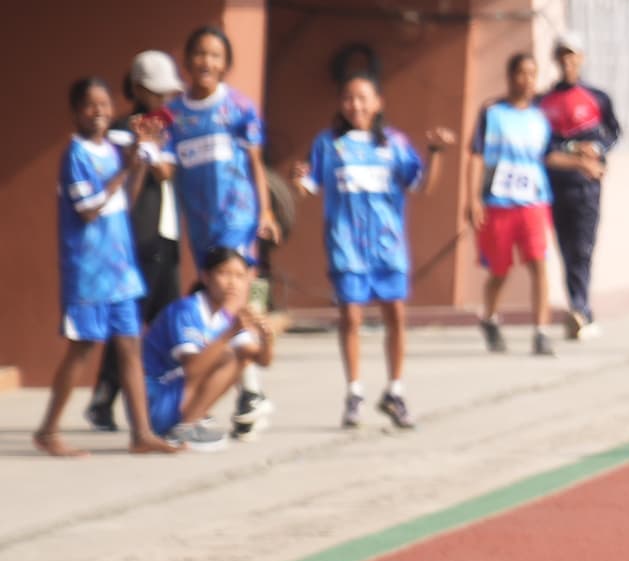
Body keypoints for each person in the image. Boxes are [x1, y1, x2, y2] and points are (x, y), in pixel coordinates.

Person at [35, 76, 169, 457]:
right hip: (88, 273)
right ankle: (48, 430)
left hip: (121, 270)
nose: (99, 113)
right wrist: (127, 168)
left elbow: (126, 198)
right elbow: (89, 209)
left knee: (130, 347)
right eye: (90, 106)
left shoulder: (113, 150)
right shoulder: (75, 155)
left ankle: (141, 433)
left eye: (105, 105)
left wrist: (140, 163)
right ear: (76, 112)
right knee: (83, 348)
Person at [305, 72, 443, 430]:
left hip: (388, 249)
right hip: (346, 247)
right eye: (349, 97)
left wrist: (437, 153)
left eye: (363, 97)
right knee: (351, 317)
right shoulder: (328, 144)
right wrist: (296, 180)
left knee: (395, 315)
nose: (356, 105)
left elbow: (422, 184)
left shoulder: (394, 144)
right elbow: (308, 183)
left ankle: (395, 391)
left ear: (379, 102)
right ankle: (354, 392)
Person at [166, 25, 277, 438]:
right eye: (199, 54)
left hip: (238, 217)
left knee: (232, 299)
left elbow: (255, 164)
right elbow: (148, 138)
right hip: (201, 224)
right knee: (217, 307)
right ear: (187, 61)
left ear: (226, 64)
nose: (207, 63)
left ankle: (249, 391)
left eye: (215, 56)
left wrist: (265, 210)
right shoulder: (173, 114)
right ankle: (245, 391)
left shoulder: (240, 108)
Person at [83, 53, 182, 439]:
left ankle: (159, 404)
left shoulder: (169, 127)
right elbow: (130, 173)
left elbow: (172, 168)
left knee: (165, 321)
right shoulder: (126, 128)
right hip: (139, 235)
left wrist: (163, 160)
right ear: (139, 89)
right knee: (129, 321)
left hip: (167, 232)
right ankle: (105, 397)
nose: (164, 100)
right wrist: (146, 157)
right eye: (157, 92)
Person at [468, 51, 559, 356]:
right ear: (510, 77)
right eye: (521, 73)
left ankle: (541, 332)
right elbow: (477, 156)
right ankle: (490, 318)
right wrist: (472, 199)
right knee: (499, 271)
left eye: (533, 74)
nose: (527, 80)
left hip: (533, 202)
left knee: (538, 264)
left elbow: (549, 156)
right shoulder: (492, 113)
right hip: (498, 203)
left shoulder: (540, 117)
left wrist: (580, 163)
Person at [144, 247, 275, 450]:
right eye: (224, 274)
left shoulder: (227, 316)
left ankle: (188, 423)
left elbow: (260, 360)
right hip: (156, 398)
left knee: (238, 356)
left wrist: (267, 338)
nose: (233, 283)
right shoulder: (187, 310)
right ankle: (184, 428)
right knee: (229, 356)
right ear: (205, 277)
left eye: (240, 276)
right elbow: (193, 369)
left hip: (176, 393)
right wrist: (230, 332)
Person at [537, 42, 621, 340]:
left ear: (581, 58)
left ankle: (580, 307)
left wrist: (596, 149)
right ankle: (580, 306)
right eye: (562, 56)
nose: (567, 61)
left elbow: (613, 133)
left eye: (572, 55)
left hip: (587, 187)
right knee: (566, 247)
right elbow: (544, 145)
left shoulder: (597, 98)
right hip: (557, 184)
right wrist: (574, 150)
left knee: (583, 248)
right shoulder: (543, 102)